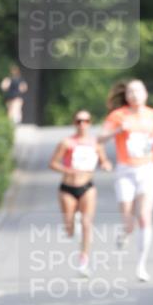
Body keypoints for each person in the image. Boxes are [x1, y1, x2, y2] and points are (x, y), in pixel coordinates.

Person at [99, 79, 153, 282]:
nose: (134, 95)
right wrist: (118, 130)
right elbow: (100, 138)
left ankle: (141, 265)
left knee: (145, 215)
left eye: (138, 91)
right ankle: (125, 231)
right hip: (125, 170)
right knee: (128, 220)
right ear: (126, 95)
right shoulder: (118, 116)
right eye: (130, 92)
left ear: (145, 93)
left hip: (147, 168)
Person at [48, 110, 112, 275]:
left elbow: (104, 161)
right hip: (68, 188)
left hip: (87, 187)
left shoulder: (96, 143)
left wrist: (106, 165)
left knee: (86, 223)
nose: (82, 124)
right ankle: (71, 224)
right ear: (74, 123)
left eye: (86, 121)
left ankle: (83, 262)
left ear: (90, 123)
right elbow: (53, 163)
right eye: (79, 121)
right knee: (69, 228)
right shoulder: (66, 143)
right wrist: (68, 170)